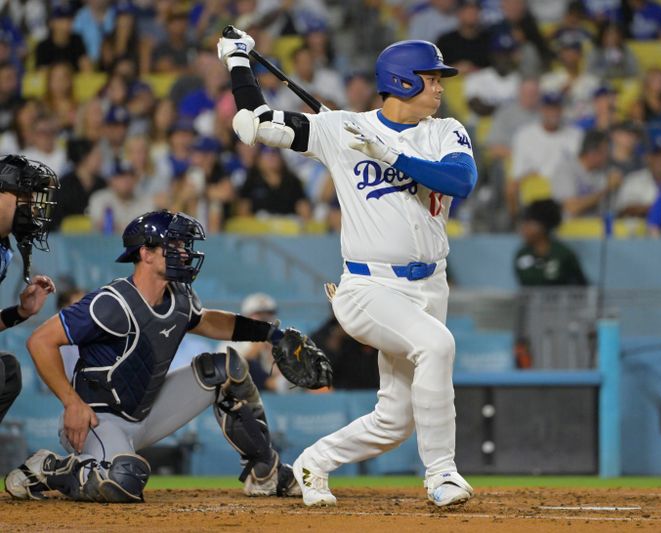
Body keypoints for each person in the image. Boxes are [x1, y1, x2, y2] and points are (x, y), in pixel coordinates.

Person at [217, 28, 477, 507]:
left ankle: (313, 461)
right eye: (432, 78)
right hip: (367, 286)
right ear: (402, 82)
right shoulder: (340, 129)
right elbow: (252, 124)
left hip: (429, 285)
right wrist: (237, 59)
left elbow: (461, 181)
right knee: (438, 346)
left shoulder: (445, 131)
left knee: (395, 420)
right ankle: (442, 475)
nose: (440, 86)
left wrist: (388, 152)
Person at [4, 210, 331, 502]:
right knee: (123, 480)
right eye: (174, 245)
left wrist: (269, 334)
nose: (184, 252)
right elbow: (40, 340)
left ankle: (266, 471)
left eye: (184, 245)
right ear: (145, 253)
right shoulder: (111, 302)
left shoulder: (181, 296)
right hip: (94, 420)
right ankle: (49, 468)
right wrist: (71, 403)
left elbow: (211, 322)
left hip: (146, 413)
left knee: (225, 367)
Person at [0, 155, 59, 425]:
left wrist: (20, 313)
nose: (34, 208)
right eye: (27, 197)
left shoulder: (3, 249)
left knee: (9, 371)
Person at [514, 199, 587, 286]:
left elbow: (582, 285)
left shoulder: (564, 254)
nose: (523, 229)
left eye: (528, 223)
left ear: (542, 226)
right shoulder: (522, 254)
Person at [551, 129, 621, 218]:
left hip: (596, 226)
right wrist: (607, 189)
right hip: (571, 228)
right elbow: (571, 208)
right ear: (592, 153)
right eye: (604, 152)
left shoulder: (603, 171)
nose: (607, 157)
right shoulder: (565, 170)